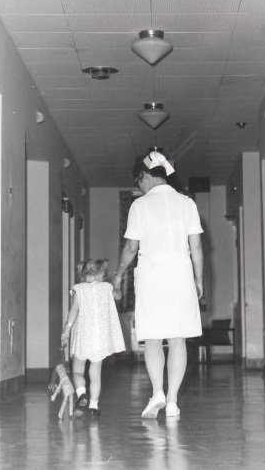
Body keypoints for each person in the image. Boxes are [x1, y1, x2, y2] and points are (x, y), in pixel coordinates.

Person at [113, 151, 205, 418]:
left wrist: (118, 274)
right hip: (180, 274)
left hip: (152, 275)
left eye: (138, 181)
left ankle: (157, 392)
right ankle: (173, 401)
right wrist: (199, 280)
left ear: (144, 176)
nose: (138, 187)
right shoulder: (187, 203)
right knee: (177, 339)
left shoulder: (139, 206)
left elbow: (131, 247)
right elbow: (196, 246)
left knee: (152, 337)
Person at [61, 258, 126, 417]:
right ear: (102, 273)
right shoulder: (107, 287)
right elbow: (119, 296)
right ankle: (94, 405)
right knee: (95, 373)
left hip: (83, 335)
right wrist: (117, 283)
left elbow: (74, 311)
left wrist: (66, 330)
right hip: (101, 336)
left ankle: (82, 393)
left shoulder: (79, 289)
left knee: (77, 370)